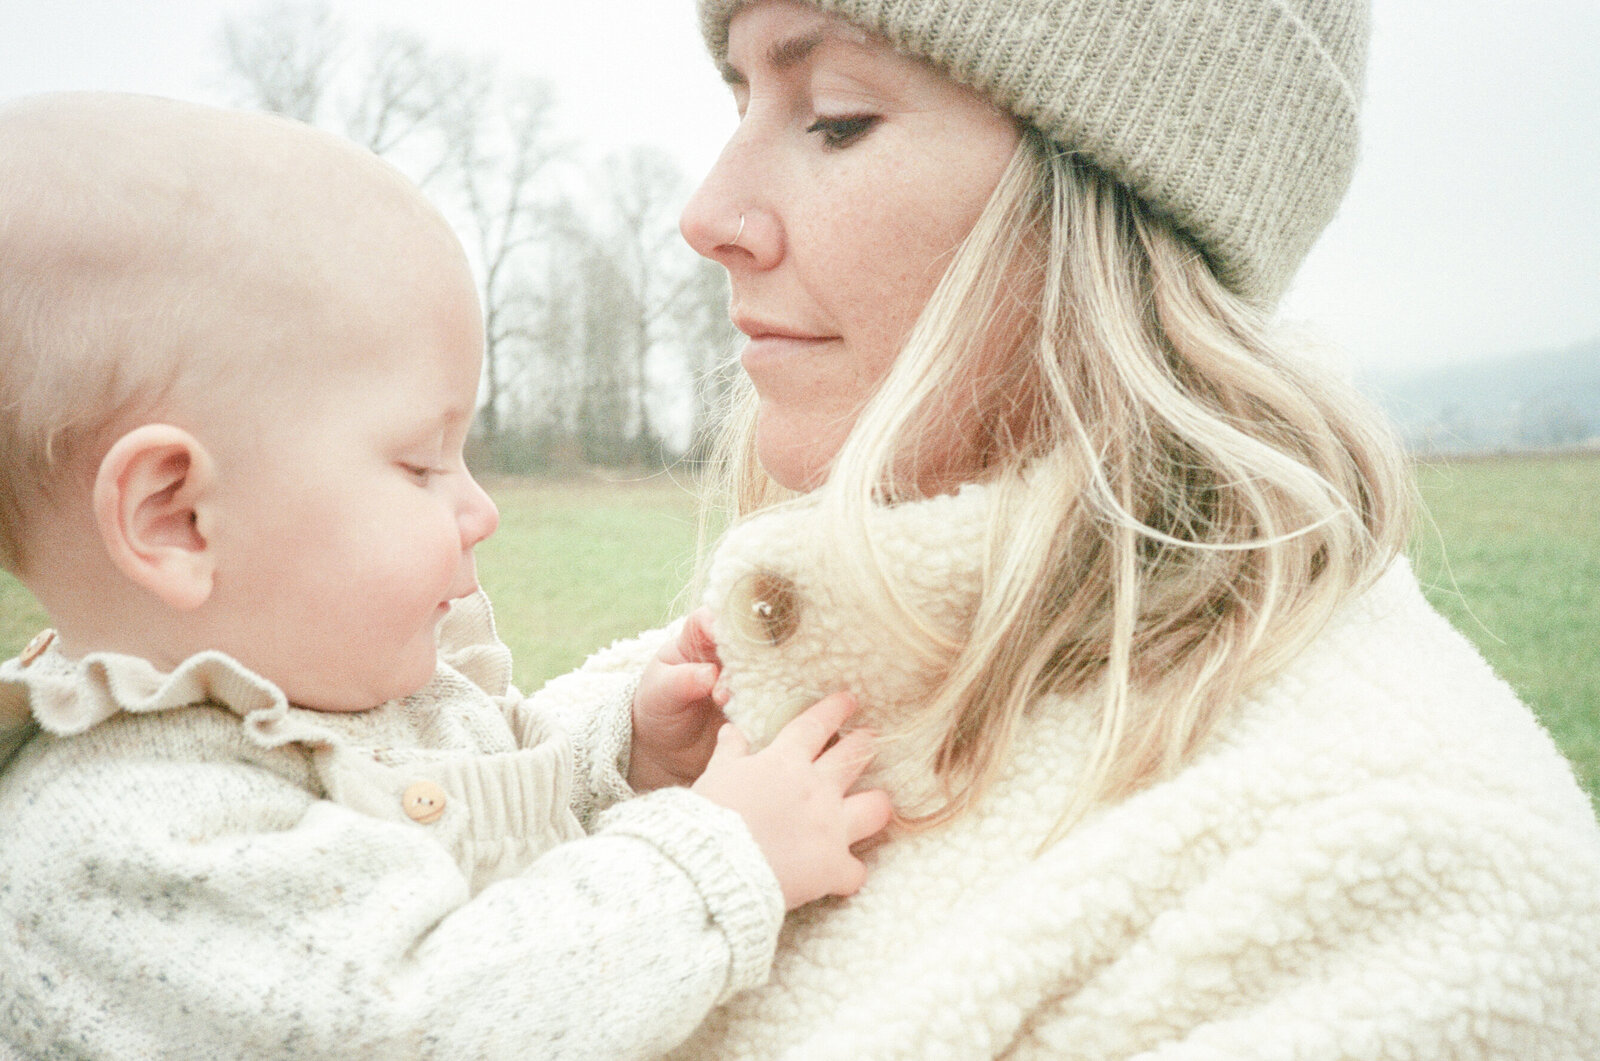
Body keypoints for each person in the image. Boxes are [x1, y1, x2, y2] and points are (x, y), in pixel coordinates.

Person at [559, 1, 1600, 1057]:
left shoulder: (1410, 900)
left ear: (1120, 206)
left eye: (834, 117)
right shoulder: (663, 706)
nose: (707, 213)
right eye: (740, 100)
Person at [0, 91, 892, 1060]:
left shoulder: (329, 687)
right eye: (421, 463)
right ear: (175, 516)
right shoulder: (125, 834)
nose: (481, 509)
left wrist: (619, 755)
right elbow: (433, 1016)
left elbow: (465, 821)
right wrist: (721, 857)